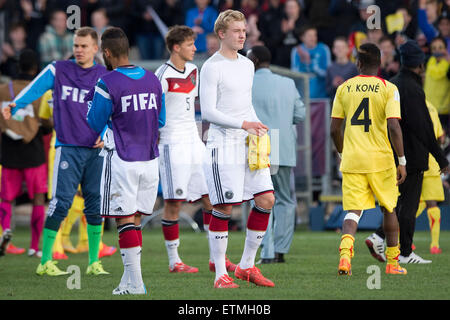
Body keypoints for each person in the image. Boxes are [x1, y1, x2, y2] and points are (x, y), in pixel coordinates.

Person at [2, 27, 109, 276]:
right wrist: (16, 104)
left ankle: (94, 262)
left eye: (84, 46)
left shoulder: (105, 75)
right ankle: (45, 261)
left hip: (95, 150)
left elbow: (114, 112)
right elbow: (36, 88)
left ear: (96, 48)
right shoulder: (59, 69)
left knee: (94, 205)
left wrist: (105, 136)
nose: (78, 50)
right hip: (68, 149)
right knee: (61, 203)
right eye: (76, 45)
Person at [200, 10, 275, 289]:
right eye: (236, 31)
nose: (243, 35)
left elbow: (245, 104)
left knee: (266, 199)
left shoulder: (247, 65)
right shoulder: (211, 66)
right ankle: (221, 274)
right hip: (222, 145)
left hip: (248, 141)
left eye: (244, 30)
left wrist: (256, 124)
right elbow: (208, 111)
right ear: (222, 34)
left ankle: (246, 266)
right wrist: (244, 123)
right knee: (223, 207)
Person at [87, 27, 165, 295]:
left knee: (123, 220)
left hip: (122, 158)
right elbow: (161, 121)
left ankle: (137, 284)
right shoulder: (153, 80)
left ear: (106, 52)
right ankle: (129, 280)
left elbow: (94, 122)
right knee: (134, 220)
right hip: (149, 158)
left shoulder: (107, 83)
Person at [155, 25, 233, 274]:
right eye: (190, 44)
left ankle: (215, 258)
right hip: (171, 142)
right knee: (174, 202)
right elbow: (154, 112)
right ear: (177, 47)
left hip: (193, 140)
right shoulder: (162, 75)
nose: (195, 48)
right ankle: (173, 260)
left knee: (211, 197)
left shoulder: (193, 70)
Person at [366, 40, 450, 264]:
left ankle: (380, 236)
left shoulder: (390, 84)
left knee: (397, 202)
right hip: (411, 156)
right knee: (408, 205)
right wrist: (441, 158)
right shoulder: (413, 89)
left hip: (389, 153)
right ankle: (403, 252)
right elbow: (424, 128)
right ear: (420, 65)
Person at [330, 42, 408, 276]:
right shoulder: (389, 88)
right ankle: (393, 264)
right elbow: (394, 126)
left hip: (353, 159)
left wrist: (343, 153)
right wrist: (402, 161)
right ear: (380, 63)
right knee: (389, 209)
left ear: (358, 63)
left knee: (353, 211)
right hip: (381, 160)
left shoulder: (344, 88)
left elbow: (334, 129)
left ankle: (345, 258)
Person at [247, 45, 305, 264]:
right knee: (284, 199)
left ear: (253, 60)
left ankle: (265, 250)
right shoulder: (288, 83)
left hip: (257, 142)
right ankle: (279, 249)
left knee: (259, 198)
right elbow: (300, 114)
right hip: (282, 144)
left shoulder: (247, 83)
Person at [0, 49, 46, 258]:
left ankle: (5, 236)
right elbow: (48, 121)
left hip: (8, 150)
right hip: (33, 151)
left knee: (6, 198)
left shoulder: (3, 90)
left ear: (18, 66)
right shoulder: (39, 92)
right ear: (36, 68)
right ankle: (34, 247)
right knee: (37, 198)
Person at [415, 101, 446, 255]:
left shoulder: (409, 104)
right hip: (432, 162)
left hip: (413, 160)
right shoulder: (432, 107)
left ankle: (402, 240)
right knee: (431, 203)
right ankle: (434, 245)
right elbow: (441, 137)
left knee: (412, 202)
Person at [291, 25, 331, 99]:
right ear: (302, 38)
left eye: (314, 35)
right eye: (309, 35)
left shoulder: (323, 49)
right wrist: (304, 64)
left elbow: (329, 74)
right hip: (302, 96)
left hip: (321, 96)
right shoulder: (296, 50)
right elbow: (294, 74)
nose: (313, 38)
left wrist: (313, 65)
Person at [423, 36, 450, 133]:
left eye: (440, 48)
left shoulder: (448, 66)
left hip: (442, 112)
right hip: (427, 109)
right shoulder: (428, 63)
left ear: (445, 49)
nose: (437, 51)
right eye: (434, 48)